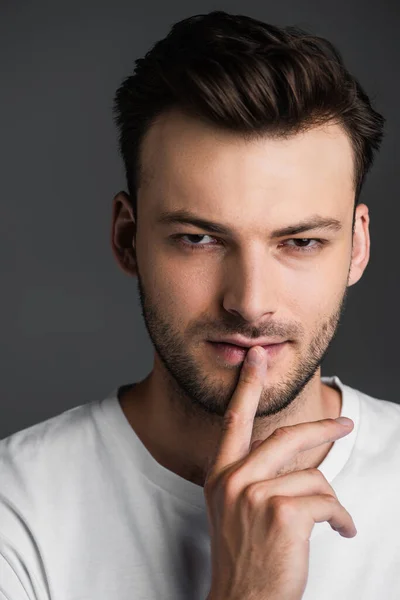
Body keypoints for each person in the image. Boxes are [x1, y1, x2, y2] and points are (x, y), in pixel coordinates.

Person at [1, 9, 397, 600]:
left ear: (357, 248)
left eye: (301, 242)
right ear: (127, 238)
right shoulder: (16, 511)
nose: (250, 303)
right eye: (198, 239)